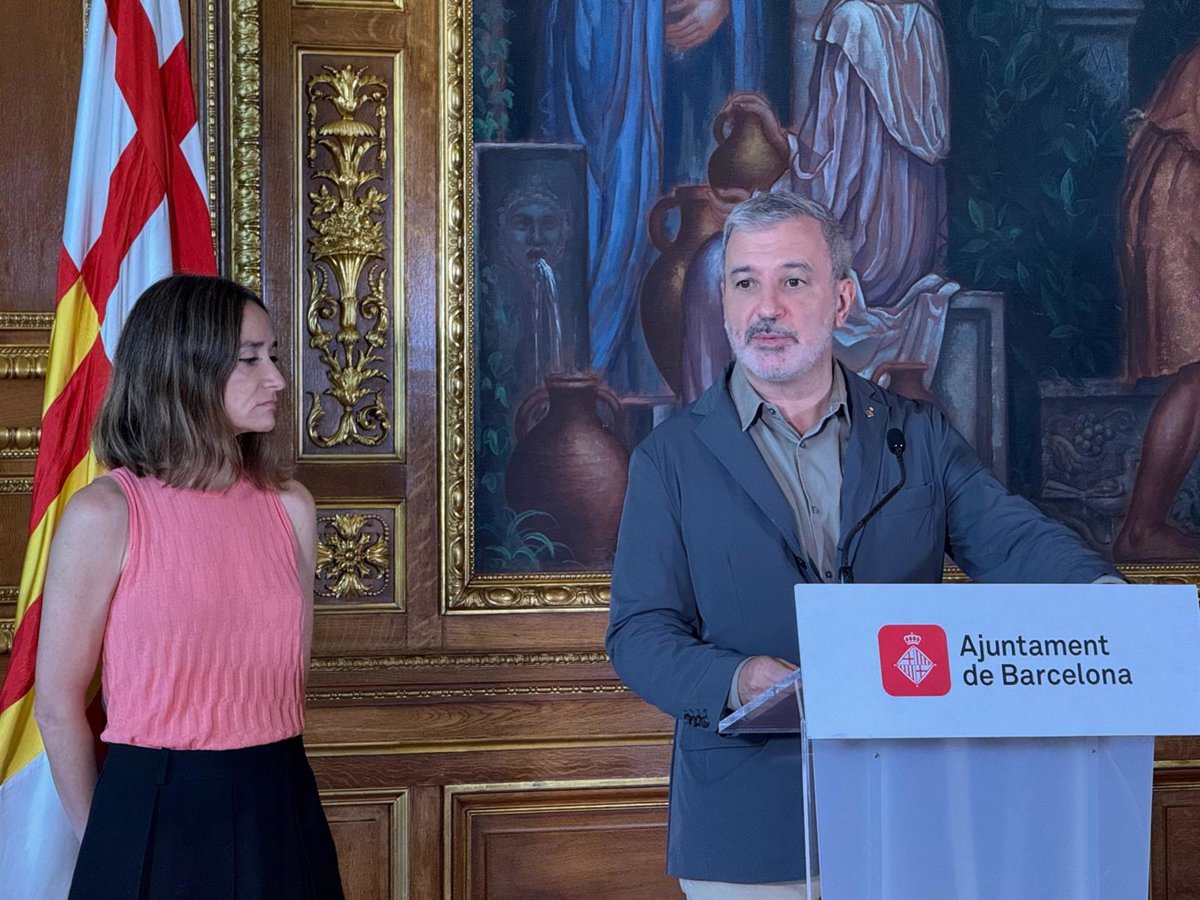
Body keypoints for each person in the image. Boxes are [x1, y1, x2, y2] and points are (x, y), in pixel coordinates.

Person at [606, 192, 1121, 897]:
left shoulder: (918, 435)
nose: (766, 308)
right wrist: (737, 680)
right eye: (745, 283)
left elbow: (1014, 540)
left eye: (793, 280)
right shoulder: (668, 460)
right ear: (724, 303)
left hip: (905, 816)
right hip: (744, 828)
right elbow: (639, 633)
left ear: (842, 300)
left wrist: (1111, 603)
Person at [34, 274, 344, 899]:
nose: (277, 379)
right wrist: (112, 843)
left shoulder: (291, 508)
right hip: (150, 812)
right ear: (184, 371)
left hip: (279, 801)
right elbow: (57, 704)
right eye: (250, 359)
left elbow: (284, 682)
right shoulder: (106, 514)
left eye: (273, 356)